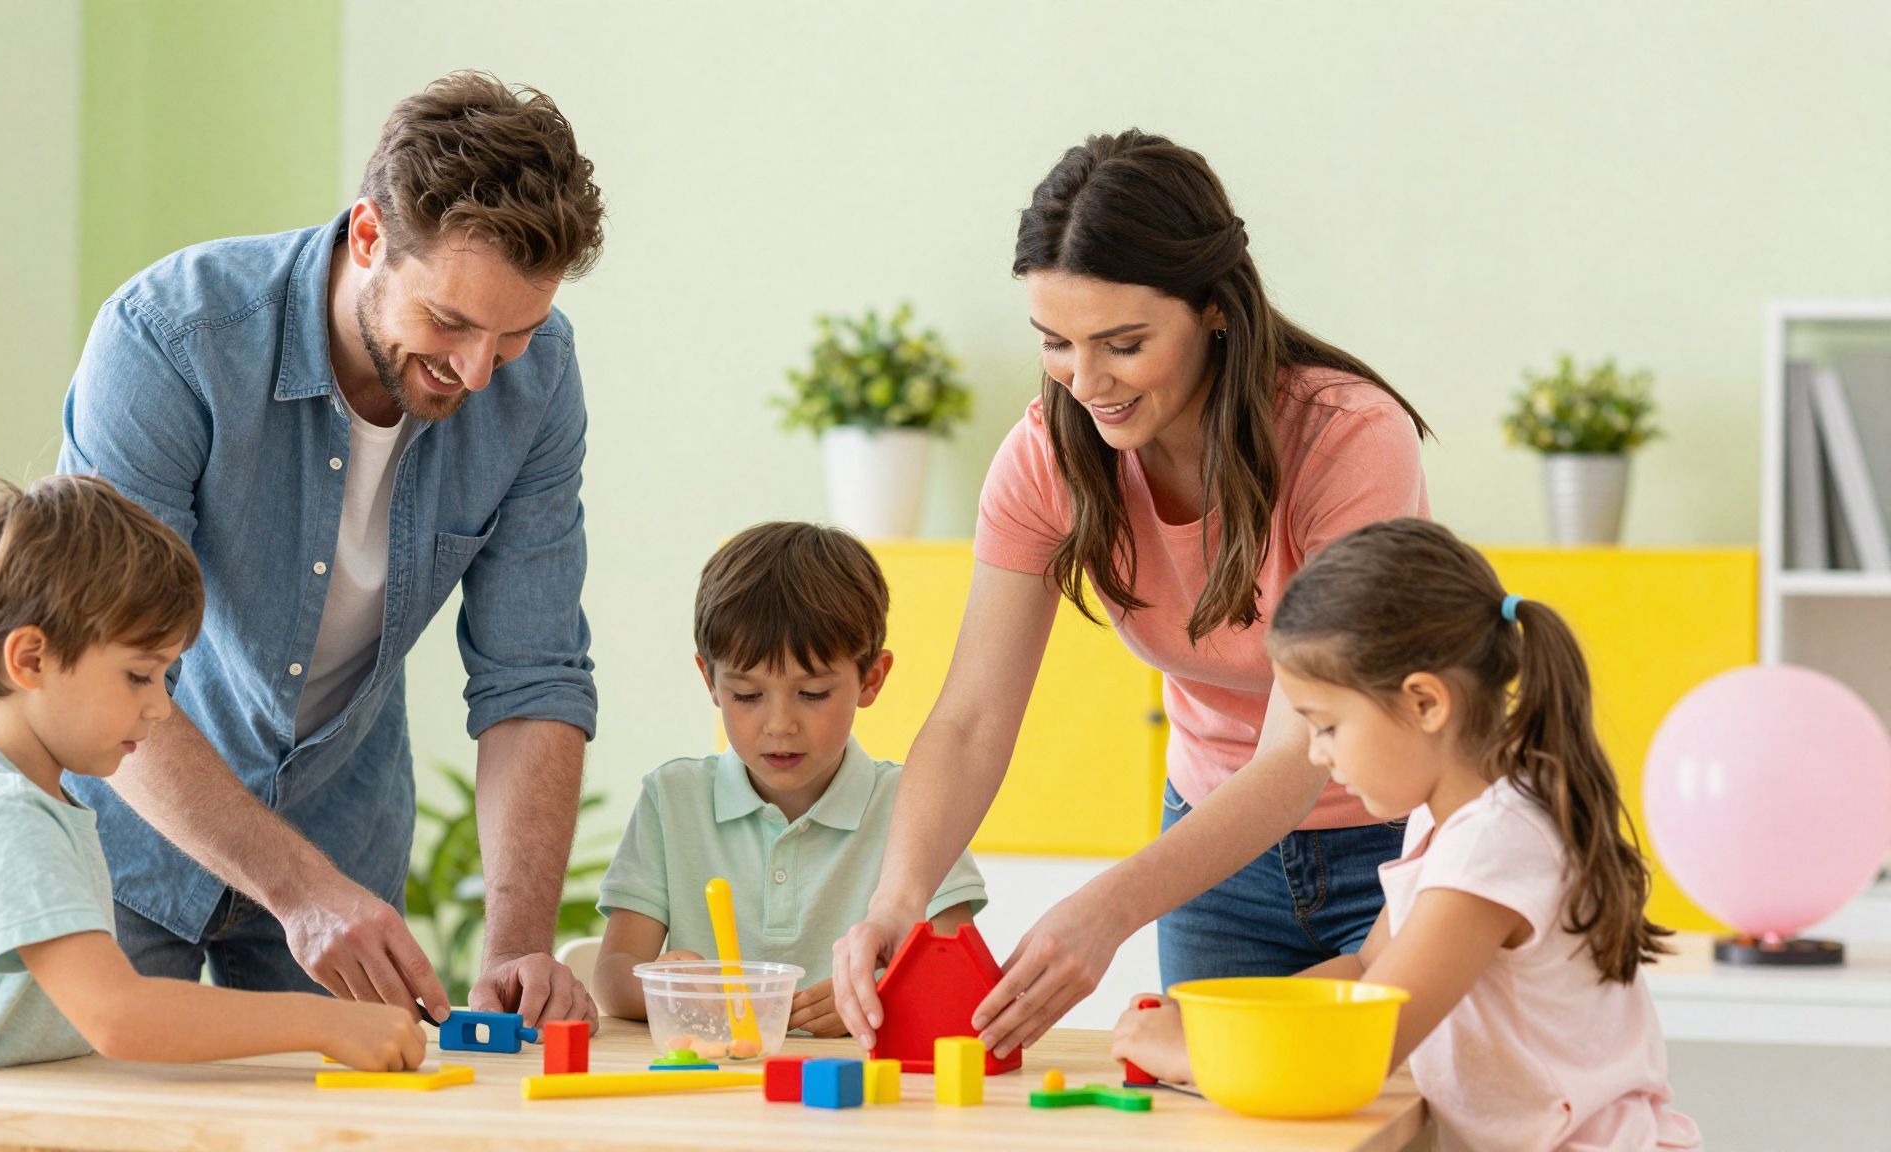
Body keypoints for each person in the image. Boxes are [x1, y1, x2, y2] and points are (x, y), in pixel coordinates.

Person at [832, 129, 1430, 1059]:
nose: (1086, 381)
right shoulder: (1045, 460)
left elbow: (1299, 752)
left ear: (1215, 308)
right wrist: (897, 898)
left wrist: (1109, 907)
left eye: (1124, 344)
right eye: (1056, 344)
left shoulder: (1347, 441)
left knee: (1391, 1103)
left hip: (1392, 842)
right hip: (1212, 854)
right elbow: (972, 718)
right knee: (1211, 1108)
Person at [58, 70, 605, 1025]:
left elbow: (532, 677)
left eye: (514, 333)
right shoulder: (171, 339)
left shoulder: (539, 384)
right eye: (450, 321)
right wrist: (299, 890)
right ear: (368, 236)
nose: (479, 372)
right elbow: (94, 666)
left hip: (345, 842)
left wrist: (517, 945)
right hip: (126, 836)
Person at [0, 476, 426, 1151]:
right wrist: (326, 1023)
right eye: (138, 675)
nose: (158, 707)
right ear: (30, 659)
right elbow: (117, 1015)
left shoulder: (28, 799)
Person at [1114, 518, 1701, 1151]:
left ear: (1425, 703)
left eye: (1327, 726)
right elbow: (1367, 968)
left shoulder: (1493, 845)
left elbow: (1360, 1052)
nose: (1315, 753)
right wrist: (1217, 1025)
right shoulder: (1448, 819)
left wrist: (1192, 1056)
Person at [593, 523, 986, 1038]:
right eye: (747, 695)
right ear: (710, 681)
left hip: (860, 1083)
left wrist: (882, 996)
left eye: (813, 694)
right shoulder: (672, 799)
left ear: (871, 679)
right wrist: (668, 986)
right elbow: (612, 975)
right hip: (711, 1077)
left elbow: (962, 983)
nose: (780, 725)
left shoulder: (914, 803)